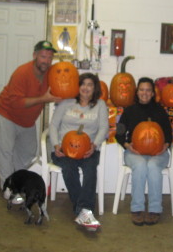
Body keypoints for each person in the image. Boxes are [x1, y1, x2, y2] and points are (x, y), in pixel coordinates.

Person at [0, 40, 62, 195]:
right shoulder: (22, 73)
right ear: (35, 55)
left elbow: (63, 86)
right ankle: (8, 187)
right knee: (6, 152)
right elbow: (16, 103)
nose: (46, 61)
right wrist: (44, 99)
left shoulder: (51, 74)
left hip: (27, 120)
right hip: (7, 114)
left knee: (28, 153)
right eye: (43, 56)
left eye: (50, 58)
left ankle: (18, 183)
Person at [49, 73, 108, 231]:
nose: (86, 88)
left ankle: (83, 210)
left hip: (89, 149)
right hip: (63, 149)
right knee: (69, 169)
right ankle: (84, 211)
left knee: (90, 170)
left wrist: (94, 145)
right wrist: (56, 145)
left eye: (90, 84)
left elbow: (104, 128)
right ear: (77, 86)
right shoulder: (66, 103)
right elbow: (53, 126)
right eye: (83, 84)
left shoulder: (100, 105)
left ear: (95, 88)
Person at [116, 77, 173, 226]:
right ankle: (137, 208)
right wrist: (128, 146)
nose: (145, 93)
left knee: (153, 166)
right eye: (142, 89)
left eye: (148, 90)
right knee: (141, 165)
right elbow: (119, 133)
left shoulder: (160, 111)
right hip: (134, 152)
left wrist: (165, 146)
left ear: (153, 93)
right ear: (137, 91)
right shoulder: (129, 110)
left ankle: (155, 209)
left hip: (158, 153)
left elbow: (168, 134)